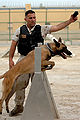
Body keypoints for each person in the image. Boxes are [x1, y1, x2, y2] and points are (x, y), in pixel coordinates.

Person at [9, 9, 78, 116]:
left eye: (34, 17)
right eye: (30, 18)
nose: (33, 20)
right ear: (25, 19)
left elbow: (57, 27)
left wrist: (69, 21)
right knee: (20, 83)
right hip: (24, 59)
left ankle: (38, 106)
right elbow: (13, 44)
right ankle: (19, 106)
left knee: (39, 83)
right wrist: (10, 60)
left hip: (38, 59)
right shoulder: (20, 30)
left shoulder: (42, 29)